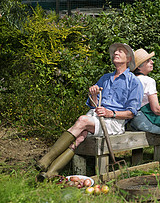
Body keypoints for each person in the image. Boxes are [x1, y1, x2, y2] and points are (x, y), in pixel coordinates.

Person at [36, 43, 143, 181]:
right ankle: (49, 174)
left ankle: (45, 161)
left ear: (128, 59)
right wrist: (93, 94)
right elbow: (94, 105)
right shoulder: (105, 78)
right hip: (96, 118)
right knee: (79, 138)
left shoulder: (134, 82)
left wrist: (111, 113)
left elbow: (131, 113)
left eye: (121, 51)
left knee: (82, 120)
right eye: (115, 51)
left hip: (115, 122)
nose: (116, 53)